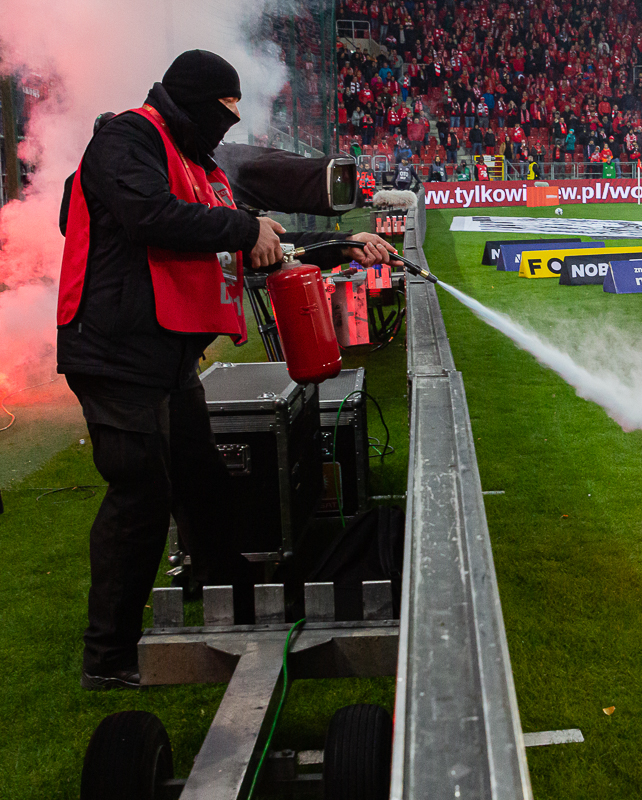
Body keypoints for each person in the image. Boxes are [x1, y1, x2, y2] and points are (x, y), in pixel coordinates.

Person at [56, 50, 395, 691]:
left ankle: (235, 604)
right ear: (193, 101)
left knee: (203, 484)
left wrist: (338, 246)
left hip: (165, 353)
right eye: (224, 113)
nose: (228, 128)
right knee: (140, 495)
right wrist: (242, 228)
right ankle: (109, 656)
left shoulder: (197, 164)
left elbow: (253, 245)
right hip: (114, 351)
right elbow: (152, 218)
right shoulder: (125, 137)